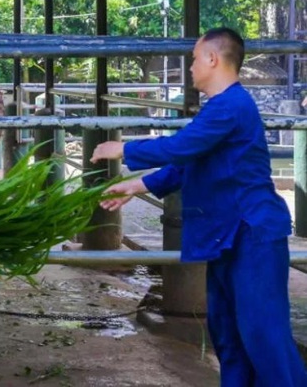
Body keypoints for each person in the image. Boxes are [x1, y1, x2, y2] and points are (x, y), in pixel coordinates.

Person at [91, 27, 307, 387]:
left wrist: (125, 150)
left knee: (263, 337)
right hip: (228, 236)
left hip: (252, 235)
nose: (190, 67)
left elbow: (181, 147)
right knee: (228, 336)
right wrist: (134, 185)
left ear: (212, 59)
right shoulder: (219, 109)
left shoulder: (233, 106)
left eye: (193, 59)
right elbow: (186, 164)